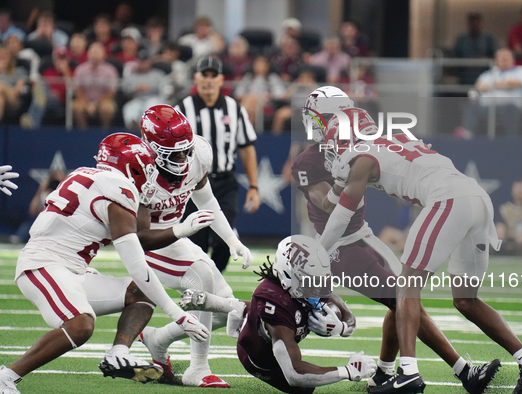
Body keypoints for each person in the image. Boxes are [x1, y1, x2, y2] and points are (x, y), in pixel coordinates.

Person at [319, 107, 522, 393]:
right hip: (478, 199)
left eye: (334, 143)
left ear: (347, 137)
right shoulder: (391, 141)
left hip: (448, 200)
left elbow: (340, 217)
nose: (332, 151)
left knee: (406, 285)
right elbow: (336, 199)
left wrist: (316, 255)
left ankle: (408, 373)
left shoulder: (362, 158)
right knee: (465, 300)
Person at [299, 91, 501, 394]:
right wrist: (346, 175)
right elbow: (330, 209)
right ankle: (462, 370)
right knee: (402, 296)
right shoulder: (310, 159)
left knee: (401, 302)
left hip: (362, 236)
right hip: (338, 245)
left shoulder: (360, 145)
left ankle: (384, 374)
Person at [0, 133, 210, 394]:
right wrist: (178, 315)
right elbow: (137, 263)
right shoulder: (118, 189)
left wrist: (176, 231)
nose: (151, 174)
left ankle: (118, 354)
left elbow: (138, 238)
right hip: (44, 264)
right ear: (132, 166)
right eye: (147, 167)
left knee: (139, 293)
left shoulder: (88, 174)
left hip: (71, 266)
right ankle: (6, 377)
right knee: (80, 325)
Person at [136, 105, 253, 387]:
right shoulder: (135, 168)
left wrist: (232, 240)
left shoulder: (198, 153)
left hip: (176, 239)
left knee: (220, 313)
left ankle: (157, 339)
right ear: (151, 148)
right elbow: (137, 236)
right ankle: (197, 368)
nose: (182, 158)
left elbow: (207, 201)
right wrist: (178, 229)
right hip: (146, 242)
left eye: (185, 150)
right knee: (200, 276)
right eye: (173, 153)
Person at [236, 234, 377, 393]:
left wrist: (342, 328)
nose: (319, 289)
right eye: (311, 281)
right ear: (289, 276)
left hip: (287, 325)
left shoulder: (310, 283)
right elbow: (294, 374)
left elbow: (347, 314)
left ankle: (240, 311)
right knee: (304, 388)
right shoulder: (274, 301)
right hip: (259, 359)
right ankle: (240, 316)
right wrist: (348, 371)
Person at [175, 56, 260, 272]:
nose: (209, 80)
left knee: (225, 238)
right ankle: (201, 287)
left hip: (224, 182)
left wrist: (254, 186)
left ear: (222, 80)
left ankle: (214, 281)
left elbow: (247, 148)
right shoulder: (182, 109)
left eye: (214, 75)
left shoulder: (234, 108)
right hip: (192, 184)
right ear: (196, 78)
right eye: (205, 75)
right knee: (196, 241)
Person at [458, 48, 522, 137]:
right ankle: (467, 136)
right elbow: (479, 86)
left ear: (512, 59)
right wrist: (503, 85)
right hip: (488, 106)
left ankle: (512, 141)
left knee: (510, 109)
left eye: (506, 57)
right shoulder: (489, 73)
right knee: (473, 106)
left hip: (511, 105)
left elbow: (517, 83)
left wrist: (492, 86)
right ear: (496, 60)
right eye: (501, 57)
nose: (503, 59)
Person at [72, 42, 118, 129]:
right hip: (84, 100)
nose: (95, 55)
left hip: (103, 100)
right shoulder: (80, 69)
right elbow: (77, 90)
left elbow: (112, 92)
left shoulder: (110, 70)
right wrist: (87, 104)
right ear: (88, 54)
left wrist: (96, 104)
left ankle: (104, 131)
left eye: (97, 52)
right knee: (76, 107)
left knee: (107, 108)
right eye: (93, 52)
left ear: (103, 54)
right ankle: (83, 132)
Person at [235, 56, 286, 125]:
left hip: (267, 103)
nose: (259, 67)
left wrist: (268, 96)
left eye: (262, 65)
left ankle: (240, 125)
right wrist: (250, 96)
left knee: (251, 101)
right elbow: (238, 93)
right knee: (251, 104)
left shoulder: (272, 78)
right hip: (249, 102)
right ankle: (247, 129)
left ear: (267, 66)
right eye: (257, 64)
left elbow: (280, 94)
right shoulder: (248, 77)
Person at [121, 50, 165, 129]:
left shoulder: (158, 74)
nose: (143, 63)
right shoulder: (131, 75)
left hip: (153, 98)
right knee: (129, 108)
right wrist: (135, 88)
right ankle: (134, 129)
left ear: (149, 62)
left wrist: (150, 88)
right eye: (141, 61)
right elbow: (124, 89)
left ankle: (149, 129)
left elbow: (164, 89)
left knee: (151, 106)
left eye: (145, 61)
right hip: (137, 99)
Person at [452, 13, 497, 85]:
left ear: (481, 23)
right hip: (465, 73)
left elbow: (495, 54)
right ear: (468, 24)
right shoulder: (462, 39)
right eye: (472, 23)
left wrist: (483, 59)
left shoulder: (488, 38)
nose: (475, 25)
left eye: (477, 23)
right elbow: (455, 55)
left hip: (484, 72)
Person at [0, 46, 26, 123]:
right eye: (1, 56)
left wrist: (4, 88)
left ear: (10, 58)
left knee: (1, 87)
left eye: (5, 56)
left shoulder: (19, 71)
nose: (2, 58)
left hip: (13, 100)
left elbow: (17, 91)